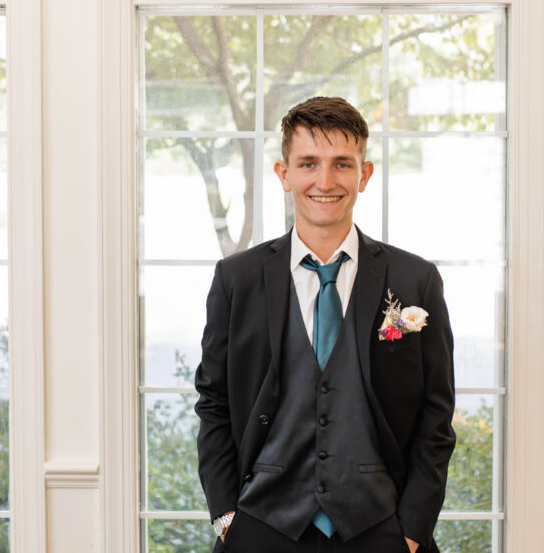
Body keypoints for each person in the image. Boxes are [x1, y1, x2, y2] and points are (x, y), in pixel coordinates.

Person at [194, 96, 456, 552]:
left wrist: (412, 530)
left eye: (342, 164)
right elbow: (214, 403)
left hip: (382, 529)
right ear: (284, 174)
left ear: (364, 174)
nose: (324, 180)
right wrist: (225, 517)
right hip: (260, 527)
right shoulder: (237, 279)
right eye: (308, 163)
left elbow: (437, 416)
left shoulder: (416, 279)